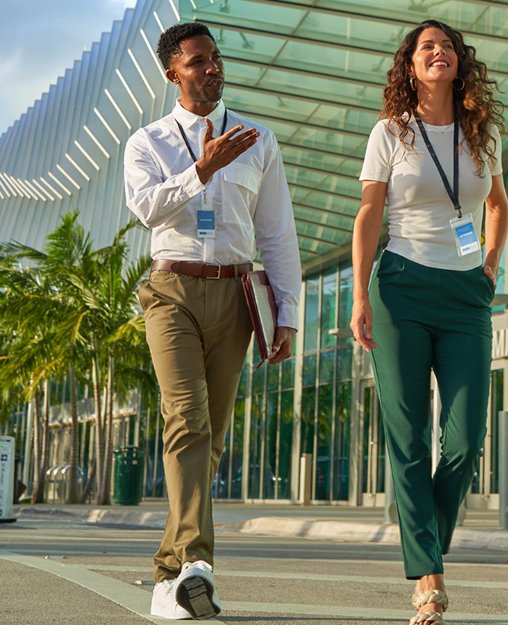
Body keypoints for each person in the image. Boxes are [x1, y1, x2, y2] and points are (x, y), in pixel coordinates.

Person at [124, 22, 301, 620]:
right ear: (172, 72)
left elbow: (277, 233)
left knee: (212, 436)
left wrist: (288, 315)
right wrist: (200, 170)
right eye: (197, 62)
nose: (211, 68)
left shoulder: (259, 139)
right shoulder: (147, 141)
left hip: (237, 293)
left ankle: (168, 576)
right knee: (186, 420)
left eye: (215, 59)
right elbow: (146, 208)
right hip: (171, 290)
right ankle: (197, 562)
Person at [352, 19, 508, 625]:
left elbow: (496, 204)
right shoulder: (390, 132)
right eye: (426, 47)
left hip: (468, 293)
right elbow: (369, 213)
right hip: (401, 287)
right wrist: (361, 294)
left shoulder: (481, 132)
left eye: (445, 45)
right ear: (410, 66)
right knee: (409, 436)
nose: (437, 52)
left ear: (458, 62)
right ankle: (430, 578)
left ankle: (425, 547)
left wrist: (491, 262)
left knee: (466, 438)